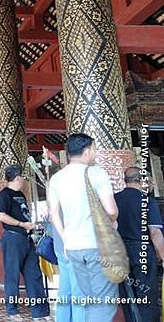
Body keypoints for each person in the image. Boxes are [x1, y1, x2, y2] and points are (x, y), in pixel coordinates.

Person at [49, 133, 119, 320]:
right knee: (103, 303)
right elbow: (111, 210)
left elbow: (53, 214)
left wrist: (65, 238)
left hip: (72, 247)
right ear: (87, 152)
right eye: (94, 149)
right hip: (96, 245)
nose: (95, 154)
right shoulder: (96, 173)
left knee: (87, 298)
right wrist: (112, 221)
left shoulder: (56, 179)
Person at [0, 164, 49, 321]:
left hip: (26, 238)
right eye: (23, 177)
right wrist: (21, 224)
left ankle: (40, 311)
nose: (24, 180)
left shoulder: (21, 194)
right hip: (13, 238)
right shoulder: (4, 194)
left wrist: (30, 226)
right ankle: (12, 310)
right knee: (12, 275)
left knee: (34, 274)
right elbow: (1, 216)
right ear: (17, 177)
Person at [114, 167, 164, 322]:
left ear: (125, 180)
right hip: (141, 251)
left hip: (119, 251)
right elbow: (155, 233)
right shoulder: (147, 201)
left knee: (127, 294)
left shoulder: (114, 199)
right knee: (146, 294)